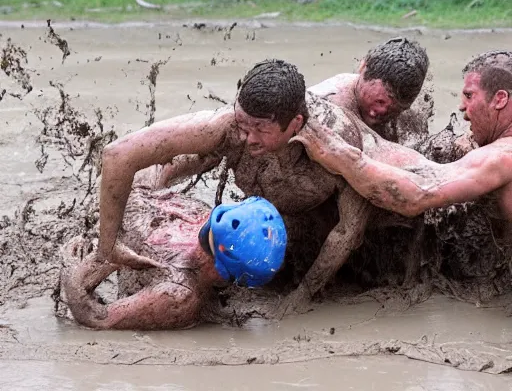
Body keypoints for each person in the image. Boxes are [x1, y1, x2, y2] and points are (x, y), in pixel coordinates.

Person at [93, 58, 421, 317]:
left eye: (260, 130)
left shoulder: (340, 146)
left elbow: (348, 231)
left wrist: (304, 294)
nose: (247, 137)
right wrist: (110, 244)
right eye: (242, 123)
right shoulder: (228, 127)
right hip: (263, 221)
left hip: (317, 229)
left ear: (295, 125)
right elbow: (123, 155)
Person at [291, 50, 512, 223]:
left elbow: (418, 196)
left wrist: (339, 156)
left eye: (469, 96)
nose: (461, 107)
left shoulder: (502, 156)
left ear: (500, 99)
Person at [61, 180, 287, 330]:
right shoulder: (196, 213)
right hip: (124, 219)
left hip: (117, 214)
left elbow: (96, 318)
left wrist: (70, 268)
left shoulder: (178, 296)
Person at [309, 37, 430, 144]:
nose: (376, 113)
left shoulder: (409, 115)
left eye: (393, 110)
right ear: (362, 67)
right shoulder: (324, 105)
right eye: (379, 101)